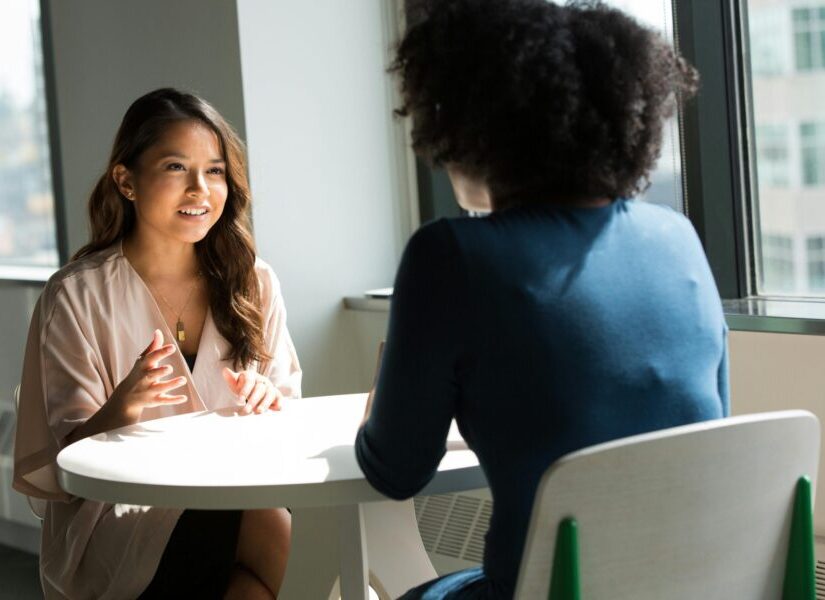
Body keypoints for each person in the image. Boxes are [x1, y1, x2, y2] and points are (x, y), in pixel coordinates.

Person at [355, 1, 728, 598]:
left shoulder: (450, 254)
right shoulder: (678, 239)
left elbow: (395, 471)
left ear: (473, 127)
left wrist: (382, 410)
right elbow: (706, 431)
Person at [13, 88, 301, 599]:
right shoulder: (76, 295)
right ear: (126, 181)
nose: (200, 189)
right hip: (116, 519)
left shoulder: (254, 282)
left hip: (234, 493)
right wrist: (119, 411)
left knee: (266, 518)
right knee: (266, 523)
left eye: (214, 171)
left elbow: (288, 417)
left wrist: (269, 399)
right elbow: (65, 466)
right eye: (175, 168)